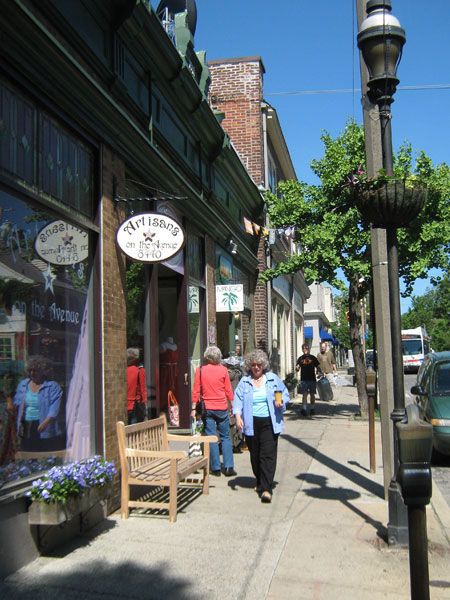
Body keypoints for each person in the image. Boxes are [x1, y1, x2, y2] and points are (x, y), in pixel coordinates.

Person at [233, 349, 289, 503]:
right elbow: (237, 401)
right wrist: (238, 417)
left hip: (269, 422)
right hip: (251, 423)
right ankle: (260, 480)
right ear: (249, 366)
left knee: (267, 455)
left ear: (264, 365)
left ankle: (266, 488)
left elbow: (283, 393)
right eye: (253, 365)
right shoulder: (244, 382)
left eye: (259, 365)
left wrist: (280, 401)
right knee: (255, 455)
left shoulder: (272, 379)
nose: (256, 367)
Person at [191, 345, 236, 477]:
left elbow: (196, 391)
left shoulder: (200, 370)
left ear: (207, 356)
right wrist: (233, 405)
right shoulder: (223, 370)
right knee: (226, 437)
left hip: (208, 408)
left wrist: (194, 408)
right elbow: (228, 390)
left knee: (211, 437)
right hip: (222, 407)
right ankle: (228, 467)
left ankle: (215, 468)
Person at [14, 355, 64, 451]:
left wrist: (45, 423)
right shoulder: (23, 384)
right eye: (30, 370)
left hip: (43, 424)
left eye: (35, 370)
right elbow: (17, 403)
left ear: (42, 371)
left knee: (44, 452)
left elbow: (54, 407)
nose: (32, 373)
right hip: (26, 425)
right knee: (28, 452)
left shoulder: (52, 386)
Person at [296, 343, 321, 417]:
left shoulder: (313, 358)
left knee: (312, 394)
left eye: (306, 348)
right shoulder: (300, 358)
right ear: (302, 349)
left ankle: (312, 409)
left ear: (309, 349)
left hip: (312, 378)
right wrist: (297, 368)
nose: (305, 349)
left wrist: (319, 371)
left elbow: (318, 366)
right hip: (304, 379)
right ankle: (304, 409)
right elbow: (297, 368)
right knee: (304, 394)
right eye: (303, 348)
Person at [126, 348, 147, 424]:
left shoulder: (124, 370)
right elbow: (143, 388)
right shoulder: (140, 370)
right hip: (136, 404)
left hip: (126, 404)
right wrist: (145, 403)